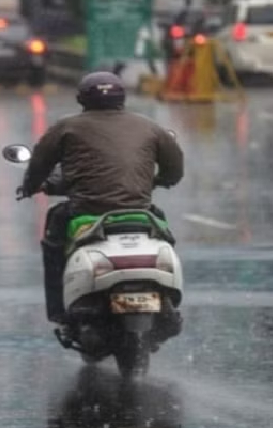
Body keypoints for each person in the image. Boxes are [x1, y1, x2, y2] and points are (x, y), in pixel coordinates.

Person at [19, 72, 184, 327]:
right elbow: (174, 168)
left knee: (55, 238)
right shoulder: (149, 126)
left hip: (86, 211)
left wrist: (29, 186)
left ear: (82, 99)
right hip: (139, 211)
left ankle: (58, 310)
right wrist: (161, 181)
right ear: (122, 98)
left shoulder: (67, 127)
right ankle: (169, 293)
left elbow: (40, 163)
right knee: (163, 231)